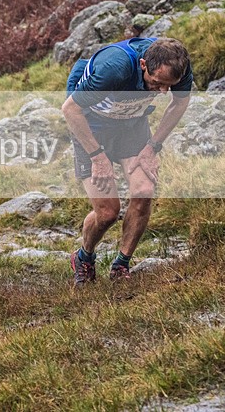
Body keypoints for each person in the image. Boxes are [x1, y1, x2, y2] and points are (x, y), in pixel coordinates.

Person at [63, 37, 193, 284]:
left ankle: (121, 265)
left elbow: (180, 102)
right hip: (91, 125)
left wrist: (153, 146)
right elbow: (70, 110)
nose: (163, 92)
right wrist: (97, 156)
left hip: (131, 124)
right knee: (108, 212)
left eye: (169, 85)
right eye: (156, 83)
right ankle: (84, 257)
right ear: (143, 64)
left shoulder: (179, 66)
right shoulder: (114, 68)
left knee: (144, 192)